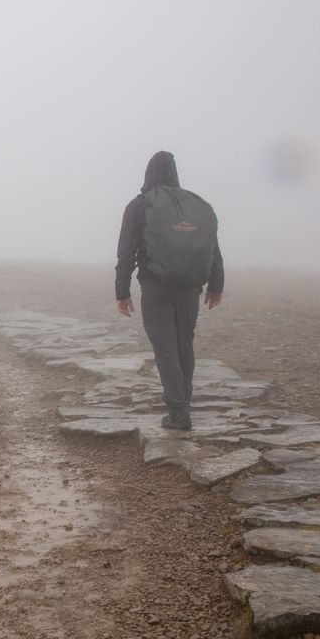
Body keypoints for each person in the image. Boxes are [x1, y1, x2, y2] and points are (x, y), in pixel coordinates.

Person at [114, 150, 224, 431]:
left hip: (156, 287)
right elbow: (212, 247)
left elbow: (126, 252)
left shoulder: (139, 206)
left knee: (165, 348)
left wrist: (121, 291)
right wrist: (216, 285)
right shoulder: (194, 205)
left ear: (148, 173)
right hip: (190, 288)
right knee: (184, 345)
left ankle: (178, 411)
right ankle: (183, 401)